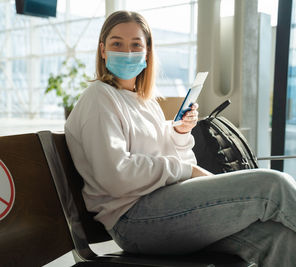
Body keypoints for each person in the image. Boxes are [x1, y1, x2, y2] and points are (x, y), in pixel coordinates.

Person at [64, 10, 296, 267]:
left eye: (136, 45)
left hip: (165, 208)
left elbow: (175, 163)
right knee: (273, 184)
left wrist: (180, 135)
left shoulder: (146, 103)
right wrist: (186, 169)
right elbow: (115, 176)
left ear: (148, 52)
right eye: (117, 43)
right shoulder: (99, 98)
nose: (127, 52)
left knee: (276, 237)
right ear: (103, 50)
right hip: (134, 219)